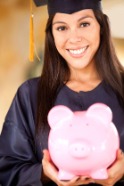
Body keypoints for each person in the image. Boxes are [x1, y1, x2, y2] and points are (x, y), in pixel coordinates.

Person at [0, 0, 124, 185]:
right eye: (61, 28)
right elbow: (6, 169)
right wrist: (43, 173)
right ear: (51, 35)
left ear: (102, 27)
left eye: (84, 24)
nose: (74, 38)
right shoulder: (30, 94)